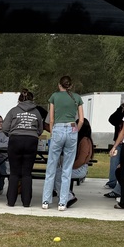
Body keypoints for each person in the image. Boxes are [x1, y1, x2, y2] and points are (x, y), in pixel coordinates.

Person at [42, 75, 84, 211]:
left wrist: (53, 132)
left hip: (58, 129)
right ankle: (63, 202)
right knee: (67, 168)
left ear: (59, 84)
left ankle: (46, 201)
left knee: (51, 167)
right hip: (72, 129)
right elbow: (82, 120)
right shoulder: (77, 98)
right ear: (70, 86)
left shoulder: (54, 96)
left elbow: (51, 118)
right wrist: (76, 130)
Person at [0, 90, 42, 208]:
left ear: (19, 100)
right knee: (27, 173)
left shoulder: (13, 111)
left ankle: (11, 201)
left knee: (14, 172)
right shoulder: (36, 112)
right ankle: (26, 201)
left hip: (15, 140)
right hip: (31, 141)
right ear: (32, 100)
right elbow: (40, 129)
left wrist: (11, 134)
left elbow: (5, 127)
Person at [105, 98, 124, 198]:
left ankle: (119, 187)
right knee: (114, 161)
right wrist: (120, 110)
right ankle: (112, 182)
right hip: (118, 142)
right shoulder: (120, 113)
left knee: (123, 165)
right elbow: (111, 119)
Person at [65, 118, 94, 207]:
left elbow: (81, 160)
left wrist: (69, 167)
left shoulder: (84, 141)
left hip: (79, 169)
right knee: (58, 173)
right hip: (78, 168)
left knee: (59, 174)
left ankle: (68, 196)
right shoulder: (82, 139)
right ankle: (66, 195)